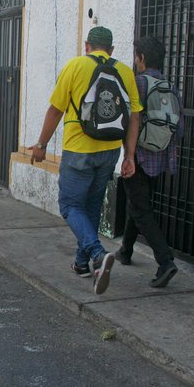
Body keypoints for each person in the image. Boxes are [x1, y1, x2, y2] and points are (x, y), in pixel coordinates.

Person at [30, 27, 143, 295]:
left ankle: (96, 253)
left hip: (79, 149)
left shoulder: (75, 66)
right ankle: (82, 264)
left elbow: (55, 110)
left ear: (87, 46)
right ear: (111, 50)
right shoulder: (126, 72)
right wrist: (129, 156)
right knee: (91, 207)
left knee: (69, 205)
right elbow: (134, 116)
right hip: (110, 151)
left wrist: (41, 145)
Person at [114, 36, 185, 288]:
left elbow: (128, 121)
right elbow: (179, 127)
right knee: (138, 204)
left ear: (141, 58)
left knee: (141, 209)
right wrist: (167, 155)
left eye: (136, 55)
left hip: (138, 157)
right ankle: (125, 251)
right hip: (160, 158)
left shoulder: (138, 83)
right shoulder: (170, 86)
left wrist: (127, 155)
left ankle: (165, 262)